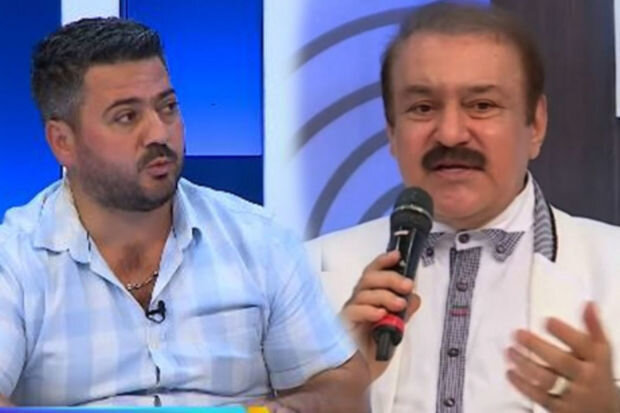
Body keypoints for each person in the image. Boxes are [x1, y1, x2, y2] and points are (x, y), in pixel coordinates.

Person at [0, 17, 369, 410]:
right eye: (127, 117)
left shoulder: (259, 240)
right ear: (63, 142)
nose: (159, 133)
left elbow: (344, 391)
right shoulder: (15, 260)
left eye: (168, 107)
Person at [306, 2, 620, 412]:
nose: (451, 134)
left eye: (482, 105)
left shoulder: (613, 263)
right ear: (392, 132)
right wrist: (331, 391)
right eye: (423, 108)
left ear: (536, 125)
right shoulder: (308, 273)